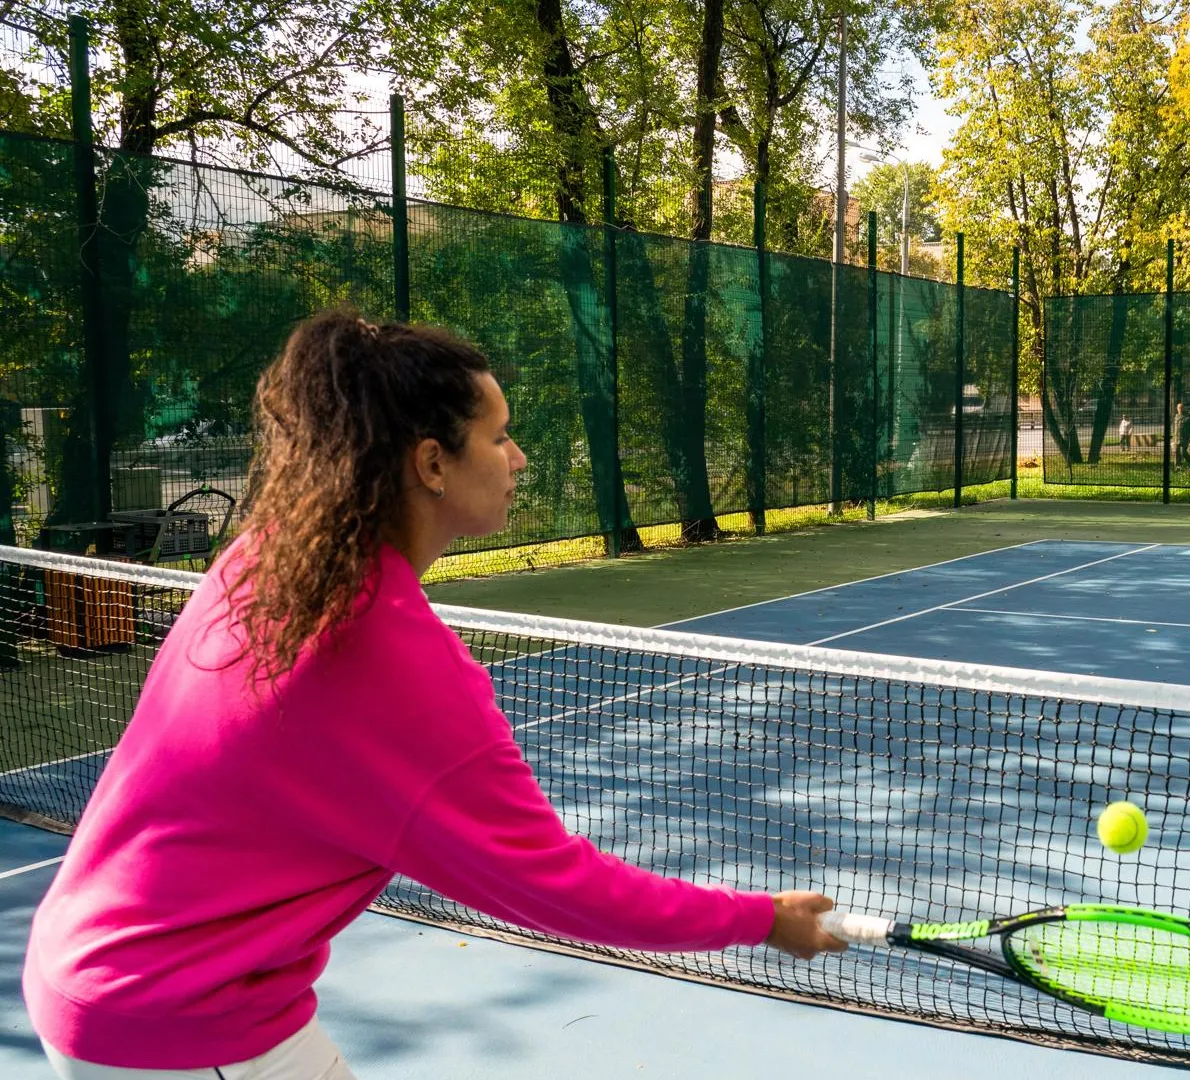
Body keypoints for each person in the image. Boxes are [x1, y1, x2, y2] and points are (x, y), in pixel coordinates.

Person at [23, 312, 844, 1079]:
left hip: (106, 965)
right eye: (499, 436)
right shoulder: (396, 668)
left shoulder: (264, 560)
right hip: (172, 1016)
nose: (518, 457)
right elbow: (554, 883)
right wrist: (759, 918)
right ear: (431, 462)